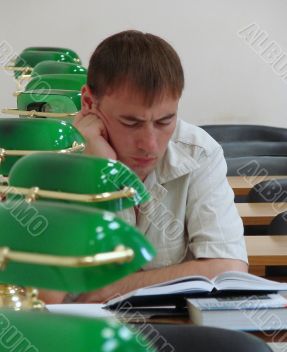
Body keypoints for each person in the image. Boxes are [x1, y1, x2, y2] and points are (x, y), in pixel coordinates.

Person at [41, 30, 248, 304]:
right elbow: (47, 297)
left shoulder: (199, 152)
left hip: (176, 335)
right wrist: (97, 172)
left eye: (165, 121)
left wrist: (112, 289)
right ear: (89, 103)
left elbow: (228, 269)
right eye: (131, 123)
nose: (150, 145)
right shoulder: (50, 160)